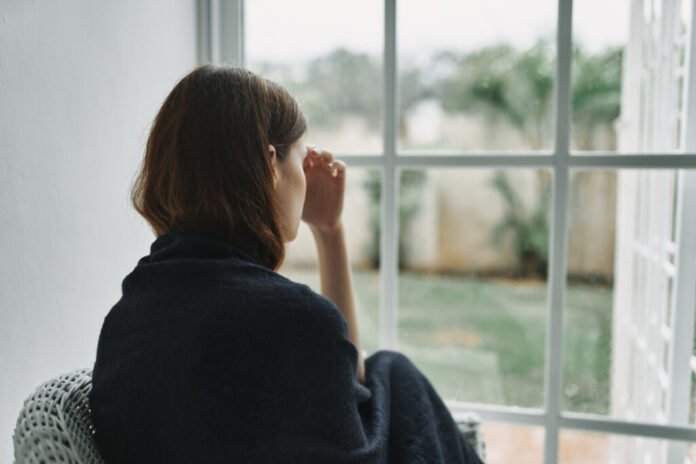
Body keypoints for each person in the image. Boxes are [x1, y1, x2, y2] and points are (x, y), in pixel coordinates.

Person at [88, 64, 484, 464]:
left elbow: (343, 384)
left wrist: (329, 232)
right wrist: (331, 234)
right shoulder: (292, 322)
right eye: (301, 155)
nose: (306, 178)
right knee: (396, 375)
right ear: (268, 165)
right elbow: (356, 395)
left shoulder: (124, 322)